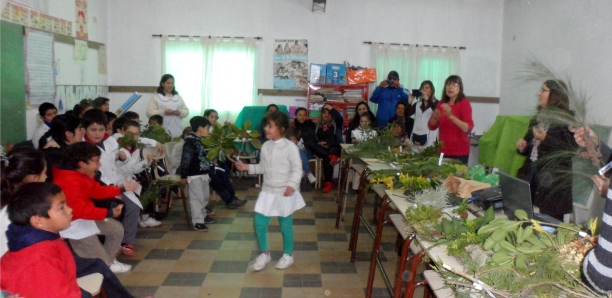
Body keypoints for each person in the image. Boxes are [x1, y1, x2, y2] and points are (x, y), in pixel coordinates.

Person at [235, 111, 305, 271]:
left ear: (281, 128)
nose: (266, 128)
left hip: (285, 192)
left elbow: (297, 169)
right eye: (266, 125)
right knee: (259, 223)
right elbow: (263, 167)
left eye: (270, 126)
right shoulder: (265, 146)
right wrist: (246, 167)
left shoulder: (290, 147)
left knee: (285, 226)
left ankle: (288, 255)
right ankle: (265, 253)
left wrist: (292, 185)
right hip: (268, 191)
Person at [53, 142, 138, 273]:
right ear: (82, 163)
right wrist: (108, 212)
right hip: (72, 224)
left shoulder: (79, 174)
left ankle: (107, 263)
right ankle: (104, 268)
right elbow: (79, 210)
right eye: (96, 161)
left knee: (116, 229)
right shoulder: (67, 182)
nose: (99, 165)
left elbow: (96, 191)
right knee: (99, 259)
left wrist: (121, 188)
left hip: (83, 218)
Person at [0, 183, 83, 298]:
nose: (70, 210)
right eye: (61, 208)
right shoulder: (39, 262)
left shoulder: (43, 238)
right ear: (38, 221)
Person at [515, 80, 577, 220]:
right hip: (532, 173)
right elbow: (529, 146)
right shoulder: (538, 118)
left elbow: (571, 149)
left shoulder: (566, 120)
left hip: (553, 182)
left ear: (555, 95)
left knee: (549, 224)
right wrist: (523, 146)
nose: (538, 94)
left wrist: (545, 139)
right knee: (526, 218)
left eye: (543, 90)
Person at [116, 120, 160, 255]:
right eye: (130, 133)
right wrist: (122, 159)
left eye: (136, 134)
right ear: (121, 132)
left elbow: (133, 170)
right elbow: (121, 168)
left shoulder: (135, 148)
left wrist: (146, 161)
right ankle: (117, 241)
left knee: (133, 207)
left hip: (126, 183)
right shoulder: (116, 144)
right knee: (124, 207)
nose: (134, 137)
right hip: (112, 183)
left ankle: (127, 242)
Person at [0, 148, 48, 256]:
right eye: (44, 173)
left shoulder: (10, 200)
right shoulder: (15, 213)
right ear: (31, 178)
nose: (46, 177)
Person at [428, 75, 474, 164]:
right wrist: (434, 118)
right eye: (448, 84)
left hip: (460, 153)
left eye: (454, 84)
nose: (450, 87)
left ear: (460, 88)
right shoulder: (441, 103)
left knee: (456, 178)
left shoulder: (464, 104)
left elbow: (468, 129)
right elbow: (431, 126)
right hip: (442, 151)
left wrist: (451, 116)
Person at [179, 116, 215, 231]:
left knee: (204, 195)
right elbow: (185, 160)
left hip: (203, 173)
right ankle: (197, 221)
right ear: (200, 128)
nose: (208, 131)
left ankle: (203, 215)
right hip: (193, 175)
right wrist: (184, 175)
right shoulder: (190, 142)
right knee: (197, 198)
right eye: (207, 128)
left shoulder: (202, 141)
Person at [39, 114, 85, 181]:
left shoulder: (74, 147)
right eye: (80, 128)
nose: (83, 131)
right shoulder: (54, 154)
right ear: (68, 134)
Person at [146, 74, 190, 139]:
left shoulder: (178, 97)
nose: (171, 85)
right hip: (162, 130)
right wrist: (163, 112)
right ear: (162, 84)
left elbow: (186, 111)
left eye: (172, 83)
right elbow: (149, 113)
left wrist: (179, 113)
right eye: (168, 83)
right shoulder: (157, 97)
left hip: (178, 130)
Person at [311, 108, 341, 193]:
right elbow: (313, 138)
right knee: (312, 145)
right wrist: (320, 143)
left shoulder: (334, 124)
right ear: (321, 114)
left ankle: (328, 183)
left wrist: (328, 144)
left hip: (331, 146)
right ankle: (330, 155)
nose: (326, 115)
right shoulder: (316, 124)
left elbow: (334, 137)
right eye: (324, 113)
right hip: (320, 147)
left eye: (328, 113)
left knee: (327, 157)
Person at [408, 80, 439, 148]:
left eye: (427, 88)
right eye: (422, 88)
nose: (424, 89)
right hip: (416, 135)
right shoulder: (417, 104)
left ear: (431, 91)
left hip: (429, 137)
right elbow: (407, 114)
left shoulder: (436, 103)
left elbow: (437, 111)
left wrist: (428, 99)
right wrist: (409, 102)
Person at [292, 107, 317, 185]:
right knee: (298, 152)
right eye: (300, 115)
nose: (302, 117)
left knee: (299, 154)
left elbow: (313, 140)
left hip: (308, 150)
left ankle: (299, 177)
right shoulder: (292, 126)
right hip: (294, 150)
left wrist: (305, 146)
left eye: (304, 115)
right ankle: (308, 173)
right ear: (296, 116)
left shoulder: (310, 125)